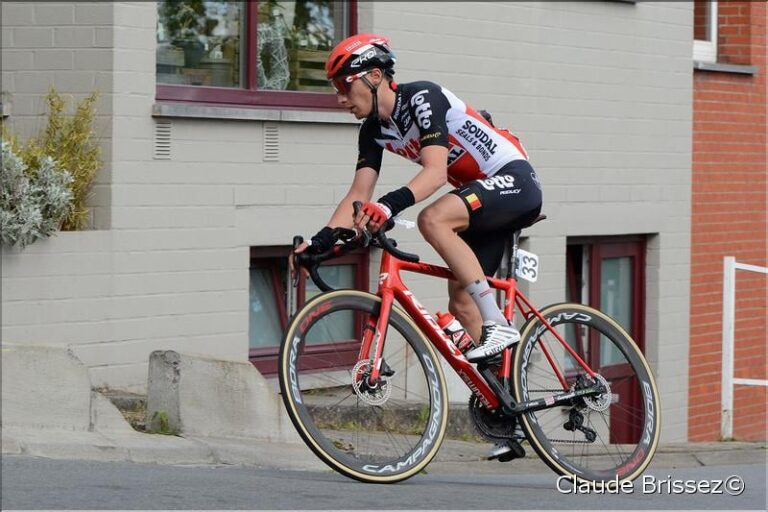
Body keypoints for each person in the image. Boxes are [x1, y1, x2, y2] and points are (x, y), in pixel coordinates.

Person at [294, 34, 542, 458]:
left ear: (375, 77)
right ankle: (508, 413)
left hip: (512, 179)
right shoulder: (372, 131)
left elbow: (434, 172)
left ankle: (499, 325)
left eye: (343, 87)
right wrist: (321, 240)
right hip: (475, 197)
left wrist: (388, 206)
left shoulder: (422, 99)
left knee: (432, 218)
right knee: (462, 304)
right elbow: (358, 191)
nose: (340, 99)